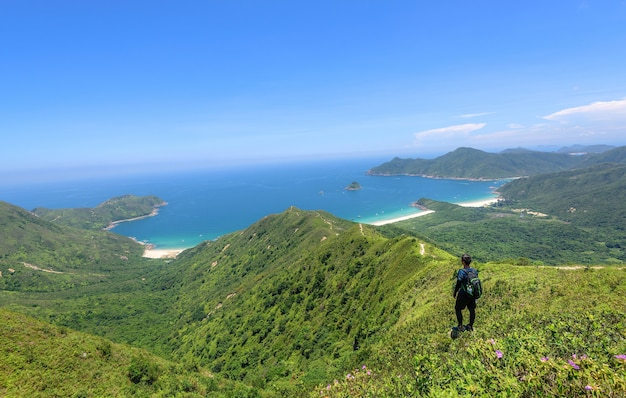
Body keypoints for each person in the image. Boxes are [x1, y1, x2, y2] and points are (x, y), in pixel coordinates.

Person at [453, 254, 477, 332]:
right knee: (472, 310)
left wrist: (455, 292)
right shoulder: (474, 271)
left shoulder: (461, 271)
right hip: (472, 294)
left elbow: (458, 283)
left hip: (463, 294)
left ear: (463, 262)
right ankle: (470, 326)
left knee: (457, 309)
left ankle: (460, 326)